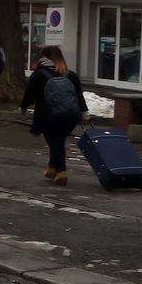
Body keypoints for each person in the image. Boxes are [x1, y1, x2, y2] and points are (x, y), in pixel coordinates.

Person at [21, 45, 89, 184]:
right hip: (70, 116)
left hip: (49, 116)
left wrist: (23, 107)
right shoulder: (70, 74)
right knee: (57, 141)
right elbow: (79, 95)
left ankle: (61, 172)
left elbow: (29, 93)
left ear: (44, 57)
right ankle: (52, 168)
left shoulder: (39, 74)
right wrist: (84, 112)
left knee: (55, 142)